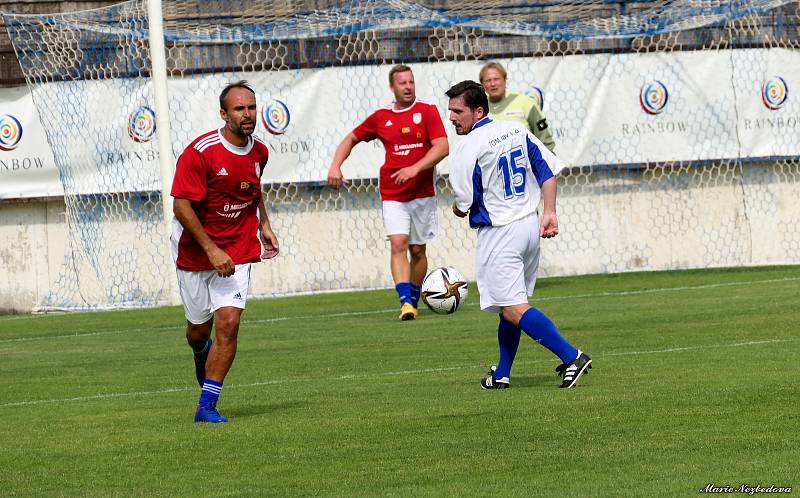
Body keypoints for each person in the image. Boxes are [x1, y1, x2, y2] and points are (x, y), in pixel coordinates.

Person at [445, 80, 591, 389]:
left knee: (512, 307)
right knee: (508, 305)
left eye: (457, 111)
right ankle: (502, 375)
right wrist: (549, 211)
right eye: (450, 111)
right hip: (528, 227)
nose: (452, 117)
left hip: (500, 234)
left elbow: (464, 202)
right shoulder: (516, 131)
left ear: (478, 111)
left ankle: (572, 355)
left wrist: (456, 210)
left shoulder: (467, 149)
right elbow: (547, 171)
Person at [171, 80, 280, 423]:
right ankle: (200, 351)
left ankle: (207, 406)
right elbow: (181, 207)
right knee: (197, 332)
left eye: (251, 107)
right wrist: (210, 249)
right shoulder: (201, 152)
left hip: (238, 247)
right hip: (196, 249)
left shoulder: (260, 152)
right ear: (224, 114)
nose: (247, 114)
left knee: (229, 323)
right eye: (239, 109)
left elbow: (252, 188)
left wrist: (264, 224)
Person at [327, 64, 449, 320]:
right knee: (398, 244)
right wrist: (336, 165)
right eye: (402, 83)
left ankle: (414, 298)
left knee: (418, 251)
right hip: (393, 192)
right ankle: (406, 302)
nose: (408, 87)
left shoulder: (427, 112)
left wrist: (415, 168)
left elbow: (442, 147)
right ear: (392, 87)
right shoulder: (381, 117)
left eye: (411, 82)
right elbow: (350, 138)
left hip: (423, 192)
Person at [479, 61, 556, 154]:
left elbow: (545, 139)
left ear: (505, 79)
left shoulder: (525, 103)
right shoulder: (479, 109)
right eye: (488, 80)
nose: (492, 84)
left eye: (496, 79)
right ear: (482, 84)